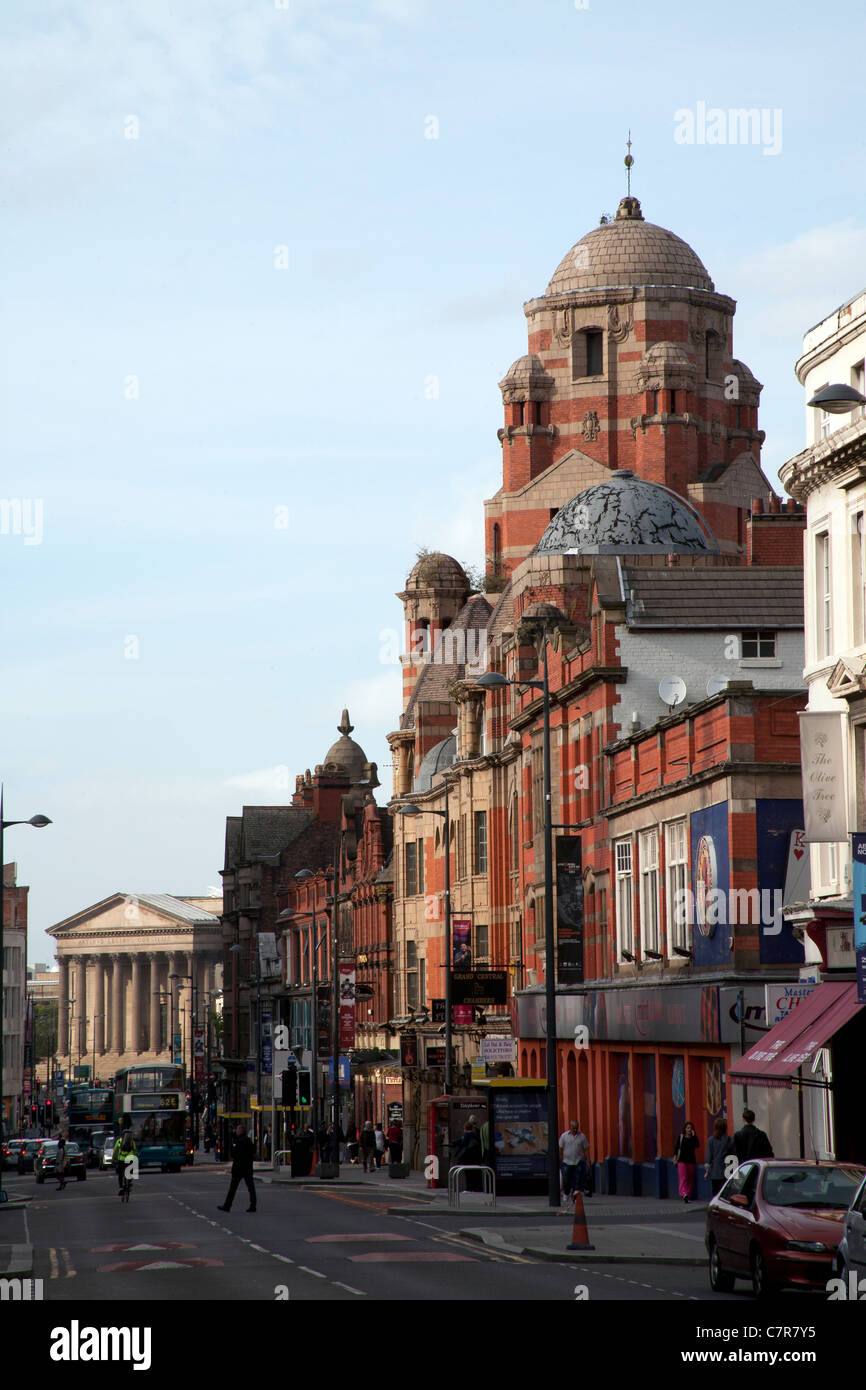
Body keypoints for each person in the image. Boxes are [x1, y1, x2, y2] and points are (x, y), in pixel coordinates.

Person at [217, 1122, 256, 1213]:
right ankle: (253, 1205)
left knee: (233, 1189)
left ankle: (227, 1205)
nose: (236, 1131)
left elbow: (234, 1154)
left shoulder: (239, 1141)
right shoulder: (249, 1141)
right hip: (247, 1167)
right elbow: (253, 1152)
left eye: (238, 1130)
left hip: (239, 1168)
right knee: (251, 1188)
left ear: (241, 1131)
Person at [559, 1119, 590, 1206]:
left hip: (578, 1161)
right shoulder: (564, 1136)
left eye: (577, 1128)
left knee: (578, 1180)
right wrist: (561, 1160)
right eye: (574, 1128)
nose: (575, 1130)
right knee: (566, 1179)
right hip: (566, 1161)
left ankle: (575, 1197)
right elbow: (560, 1149)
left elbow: (586, 1149)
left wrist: (588, 1160)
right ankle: (566, 1192)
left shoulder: (582, 1136)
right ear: (570, 1127)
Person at [705, 1117, 737, 1196]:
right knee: (726, 1194)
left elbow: (708, 1157)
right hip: (727, 1171)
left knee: (716, 1194)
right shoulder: (729, 1140)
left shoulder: (711, 1140)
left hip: (715, 1172)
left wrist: (706, 1172)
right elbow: (733, 1156)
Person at [674, 1120, 700, 1203]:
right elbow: (676, 1148)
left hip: (691, 1161)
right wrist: (675, 1159)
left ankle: (687, 1196)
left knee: (690, 1179)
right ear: (685, 1129)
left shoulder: (693, 1138)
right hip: (681, 1160)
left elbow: (697, 1145)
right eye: (687, 1128)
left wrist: (694, 1135)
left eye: (691, 1128)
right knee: (683, 1178)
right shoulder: (681, 1137)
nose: (689, 1129)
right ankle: (683, 1193)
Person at [112, 1128, 136, 1196]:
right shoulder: (132, 1142)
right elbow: (135, 1151)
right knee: (132, 1170)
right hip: (130, 1159)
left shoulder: (119, 1141)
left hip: (121, 1159)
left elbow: (115, 1151)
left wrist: (114, 1159)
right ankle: (129, 1182)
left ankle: (120, 1187)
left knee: (120, 1174)